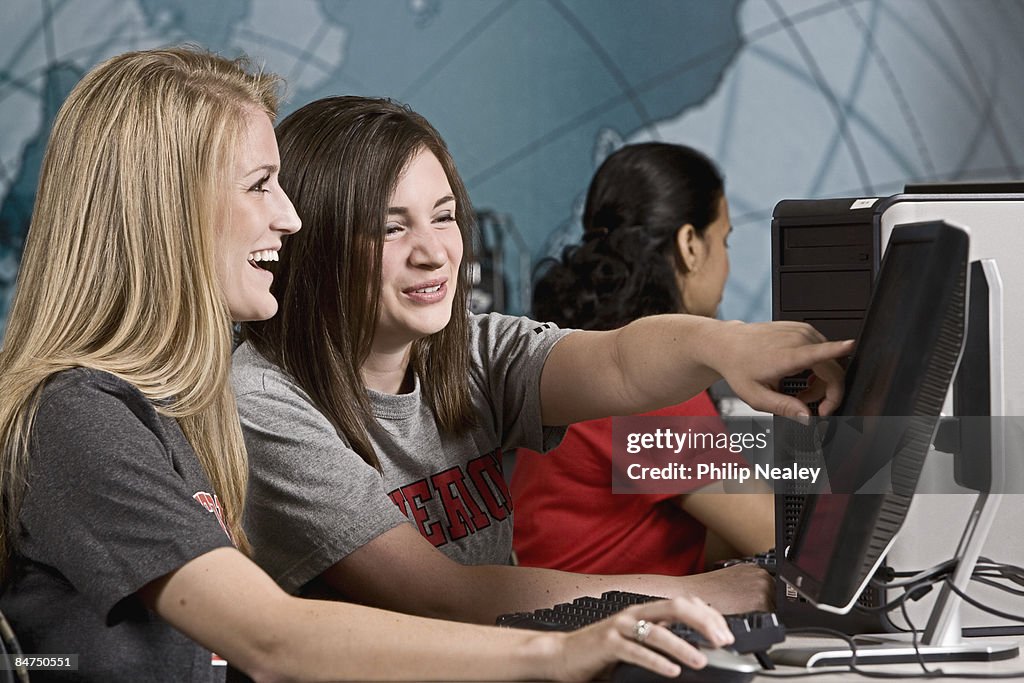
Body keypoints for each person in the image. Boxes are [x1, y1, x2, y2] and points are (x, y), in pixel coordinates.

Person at [0, 48, 738, 682]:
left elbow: (628, 370)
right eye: (260, 185)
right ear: (689, 246)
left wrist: (737, 348)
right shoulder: (89, 412)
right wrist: (592, 640)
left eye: (445, 216)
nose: (288, 218)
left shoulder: (170, 405)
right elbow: (282, 635)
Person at [234, 96, 852, 624]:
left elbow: (619, 361)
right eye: (390, 229)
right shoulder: (264, 400)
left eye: (445, 218)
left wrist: (727, 345)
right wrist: (699, 594)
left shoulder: (470, 349)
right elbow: (440, 594)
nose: (433, 253)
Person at [511, 142, 774, 577]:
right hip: (585, 629)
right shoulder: (650, 384)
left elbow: (692, 535)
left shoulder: (592, 351)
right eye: (722, 241)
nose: (726, 263)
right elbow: (780, 542)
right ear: (690, 245)